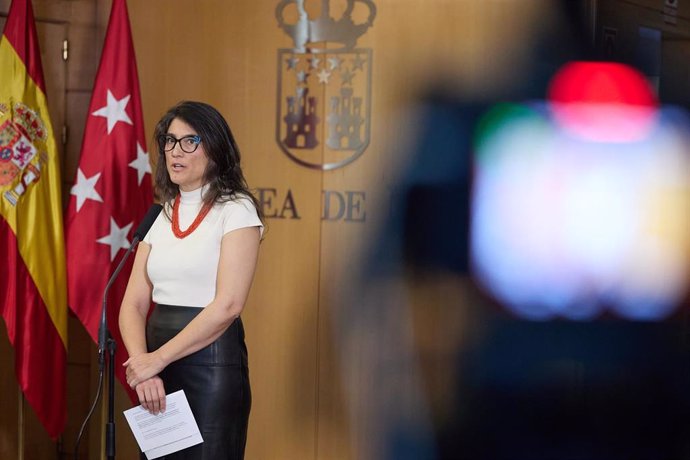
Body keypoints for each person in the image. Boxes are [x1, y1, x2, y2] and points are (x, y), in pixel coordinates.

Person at [118, 100, 263, 459]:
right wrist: (143, 367)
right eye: (170, 141)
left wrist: (157, 360)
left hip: (209, 366)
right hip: (155, 367)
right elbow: (134, 303)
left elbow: (229, 304)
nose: (175, 151)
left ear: (215, 148)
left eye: (189, 141)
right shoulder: (161, 213)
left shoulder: (236, 209)